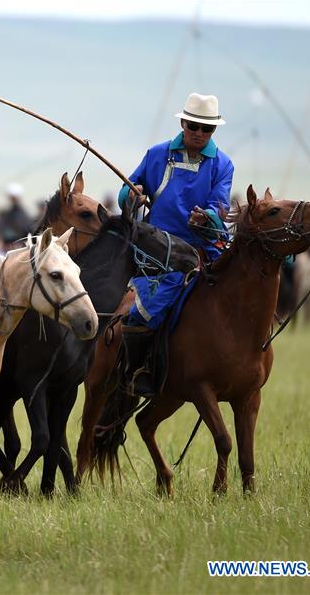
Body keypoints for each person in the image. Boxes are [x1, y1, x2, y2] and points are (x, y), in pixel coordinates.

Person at [117, 93, 234, 396]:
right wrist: (133, 195)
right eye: (193, 126)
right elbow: (127, 189)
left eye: (205, 129)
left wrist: (206, 217)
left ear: (213, 132)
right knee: (146, 308)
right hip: (158, 248)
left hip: (202, 247)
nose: (198, 133)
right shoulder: (156, 154)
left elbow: (219, 208)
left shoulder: (223, 164)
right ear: (183, 122)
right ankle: (137, 369)